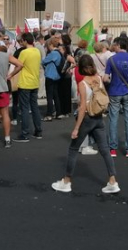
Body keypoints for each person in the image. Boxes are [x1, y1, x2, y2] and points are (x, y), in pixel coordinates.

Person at [51, 55, 120, 194]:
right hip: (99, 117)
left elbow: (82, 107)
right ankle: (112, 180)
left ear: (81, 68)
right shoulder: (99, 79)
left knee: (73, 149)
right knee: (104, 150)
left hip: (87, 118)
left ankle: (66, 181)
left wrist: (76, 128)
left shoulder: (82, 84)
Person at [105, 38, 128, 158]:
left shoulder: (111, 59)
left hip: (114, 91)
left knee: (113, 119)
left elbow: (105, 78)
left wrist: (111, 82)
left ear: (118, 45)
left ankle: (113, 149)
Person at [9, 32, 43, 142]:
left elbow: (19, 65)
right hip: (34, 82)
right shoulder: (37, 51)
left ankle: (25, 133)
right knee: (34, 107)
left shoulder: (24, 52)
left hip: (25, 82)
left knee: (24, 108)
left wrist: (11, 75)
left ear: (24, 40)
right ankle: (38, 131)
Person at [0, 38, 21, 149]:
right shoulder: (6, 55)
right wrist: (10, 75)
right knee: (5, 114)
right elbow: (20, 65)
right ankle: (7, 139)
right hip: (4, 87)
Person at [42, 38, 62, 121]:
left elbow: (43, 61)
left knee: (49, 96)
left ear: (50, 45)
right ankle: (58, 113)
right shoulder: (59, 53)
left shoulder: (53, 53)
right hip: (57, 76)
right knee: (56, 95)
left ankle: (49, 114)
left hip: (50, 75)